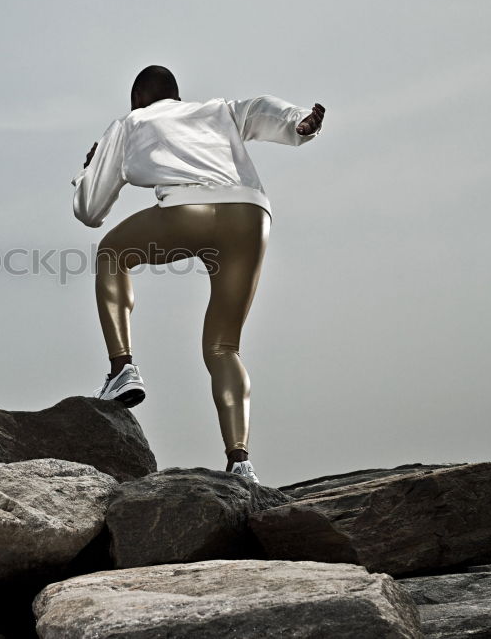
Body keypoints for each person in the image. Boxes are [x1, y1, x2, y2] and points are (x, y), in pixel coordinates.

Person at [70, 65, 325, 483]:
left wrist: (87, 171)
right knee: (224, 347)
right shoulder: (217, 110)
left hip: (188, 213)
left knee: (112, 254)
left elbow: (90, 210)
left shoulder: (131, 122)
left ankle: (122, 370)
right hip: (249, 215)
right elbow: (260, 109)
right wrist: (300, 123)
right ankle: (241, 462)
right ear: (176, 95)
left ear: (137, 99)